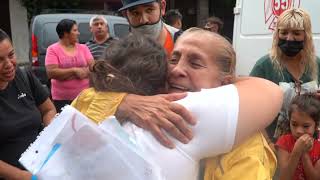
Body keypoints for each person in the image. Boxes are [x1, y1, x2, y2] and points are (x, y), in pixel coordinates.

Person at [71, 28, 282, 179]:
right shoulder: (148, 109)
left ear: (225, 83)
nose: (176, 70)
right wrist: (122, 101)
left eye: (195, 63)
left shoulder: (245, 144)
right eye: (174, 59)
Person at [250, 8, 320, 144]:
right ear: (277, 34)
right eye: (284, 32)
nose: (289, 38)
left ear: (306, 36)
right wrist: (266, 143)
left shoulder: (316, 64)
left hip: (310, 144)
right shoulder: (264, 66)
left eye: (296, 33)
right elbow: (250, 110)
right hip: (274, 143)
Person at [0, 29, 56, 179]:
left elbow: (48, 109)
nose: (9, 65)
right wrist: (22, 176)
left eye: (11, 55)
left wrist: (51, 131)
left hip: (42, 168)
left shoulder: (23, 75)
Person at [45, 19, 94, 112]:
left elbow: (92, 67)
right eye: (75, 30)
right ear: (66, 33)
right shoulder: (52, 49)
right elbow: (51, 73)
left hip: (85, 96)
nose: (78, 33)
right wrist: (74, 71)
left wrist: (64, 75)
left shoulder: (83, 48)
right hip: (62, 99)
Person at [276, 94, 320, 180]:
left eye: (306, 126)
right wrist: (297, 151)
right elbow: (284, 178)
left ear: (316, 126)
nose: (298, 131)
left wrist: (304, 154)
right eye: (294, 124)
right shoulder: (284, 142)